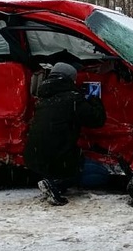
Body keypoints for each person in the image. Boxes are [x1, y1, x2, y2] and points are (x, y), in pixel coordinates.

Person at [25, 61, 106, 206]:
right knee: (98, 173)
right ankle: (57, 184)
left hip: (35, 158)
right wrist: (95, 99)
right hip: (58, 158)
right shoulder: (72, 98)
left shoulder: (43, 99)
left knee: (66, 164)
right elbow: (96, 120)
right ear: (70, 79)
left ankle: (51, 180)